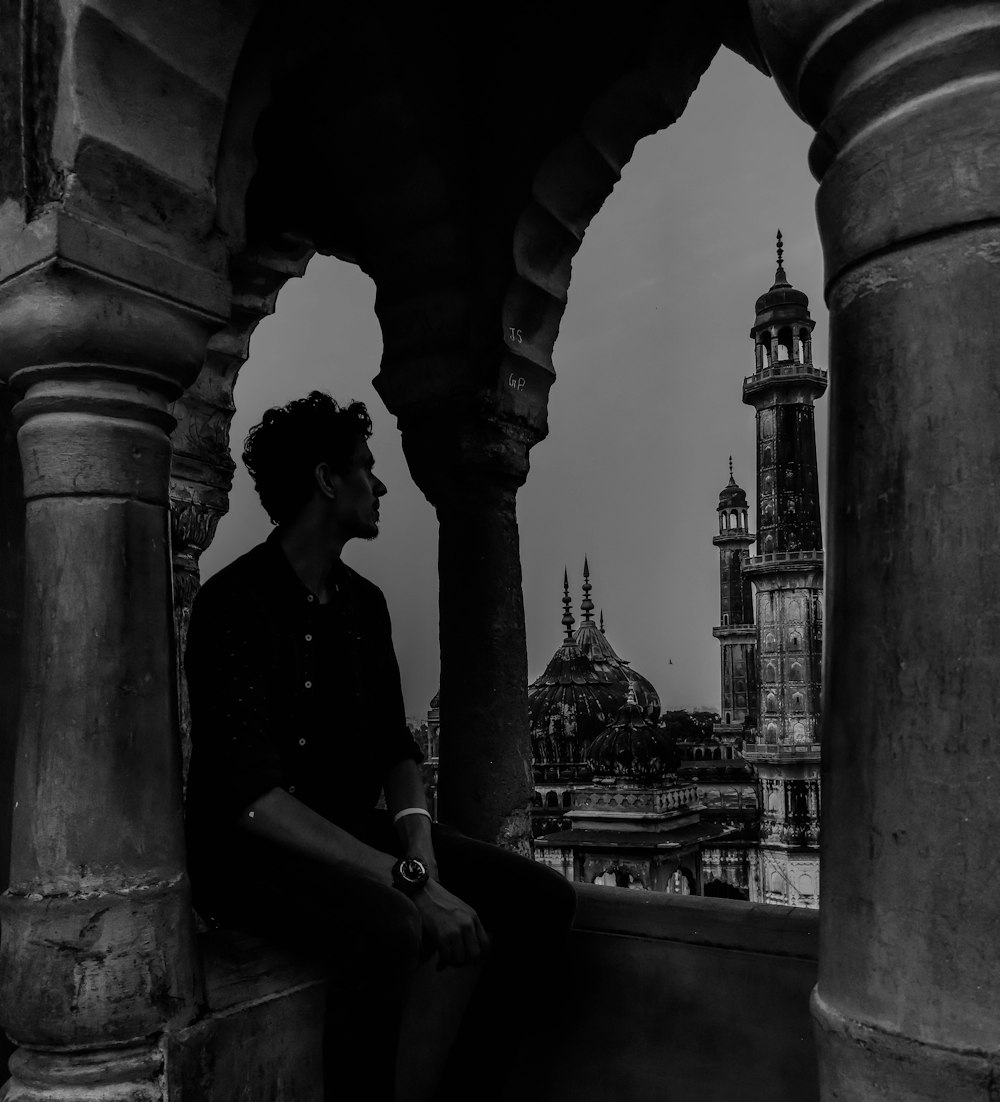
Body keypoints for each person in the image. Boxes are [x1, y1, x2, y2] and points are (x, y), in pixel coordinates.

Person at [184, 391, 575, 1102]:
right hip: (249, 854)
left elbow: (397, 753)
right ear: (328, 481)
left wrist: (418, 854)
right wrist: (406, 885)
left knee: (541, 900)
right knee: (391, 930)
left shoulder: (363, 605)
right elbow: (250, 799)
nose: (381, 483)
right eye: (366, 467)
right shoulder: (234, 605)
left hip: (342, 826)